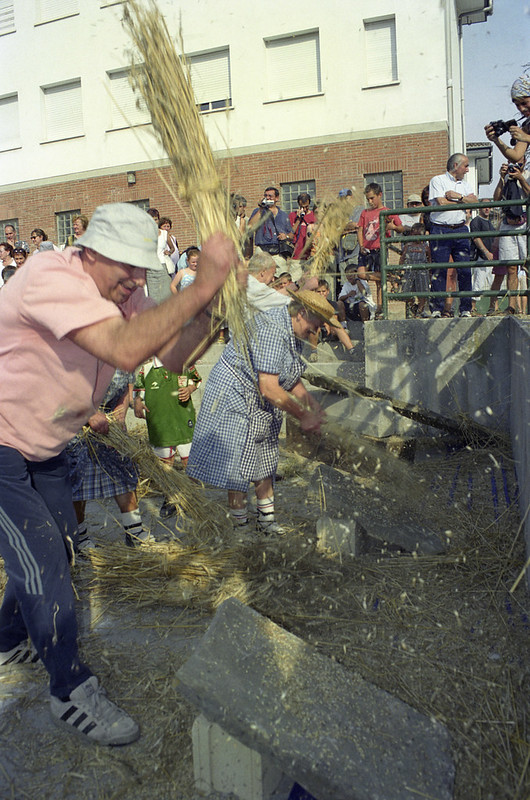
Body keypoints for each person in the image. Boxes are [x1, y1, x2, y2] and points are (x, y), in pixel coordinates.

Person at [0, 202, 237, 745]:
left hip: (44, 446)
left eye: (141, 268)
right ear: (88, 251)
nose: (135, 279)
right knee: (46, 563)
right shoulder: (49, 275)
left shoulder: (121, 292)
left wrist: (216, 304)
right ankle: (70, 690)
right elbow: (126, 348)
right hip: (1, 447)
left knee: (59, 547)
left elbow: (171, 357)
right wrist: (200, 286)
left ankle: (7, 638)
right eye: (124, 267)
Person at [187, 291, 327, 534]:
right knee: (239, 461)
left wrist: (312, 406)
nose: (317, 330)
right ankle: (240, 527)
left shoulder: (293, 332)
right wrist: (304, 416)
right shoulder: (272, 329)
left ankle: (266, 522)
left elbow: (290, 378)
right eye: (317, 324)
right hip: (235, 394)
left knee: (266, 456)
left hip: (258, 393)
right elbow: (270, 388)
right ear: (302, 314)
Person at [67, 369, 152, 550]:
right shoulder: (82, 351)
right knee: (77, 481)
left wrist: (119, 414)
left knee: (122, 472)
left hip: (108, 423)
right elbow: (67, 387)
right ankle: (79, 538)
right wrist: (90, 413)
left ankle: (134, 530)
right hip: (77, 423)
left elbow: (125, 389)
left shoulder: (124, 356)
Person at [133, 358, 201, 518]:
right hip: (160, 423)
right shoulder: (147, 367)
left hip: (183, 420)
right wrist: (137, 402)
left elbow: (196, 380)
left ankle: (193, 497)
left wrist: (190, 389)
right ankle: (170, 497)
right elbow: (138, 390)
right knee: (165, 464)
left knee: (190, 461)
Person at [428, 153, 477, 318]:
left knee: (464, 270)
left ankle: (465, 308)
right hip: (440, 229)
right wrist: (464, 201)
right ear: (456, 166)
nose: (467, 170)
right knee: (439, 270)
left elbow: (475, 202)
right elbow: (441, 202)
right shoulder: (438, 180)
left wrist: (458, 197)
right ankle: (437, 309)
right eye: (466, 166)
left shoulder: (465, 185)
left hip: (460, 229)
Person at [487, 163, 529, 315]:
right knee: (511, 267)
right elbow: (496, 199)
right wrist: (501, 178)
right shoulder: (505, 178)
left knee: (527, 265)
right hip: (507, 224)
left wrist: (521, 179)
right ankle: (512, 306)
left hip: (525, 225)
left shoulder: (528, 174)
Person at [356, 183, 404, 315]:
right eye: (368, 199)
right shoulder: (365, 213)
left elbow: (401, 228)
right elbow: (360, 230)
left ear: (380, 195)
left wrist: (393, 227)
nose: (370, 202)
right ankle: (390, 277)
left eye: (372, 198)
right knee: (361, 273)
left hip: (379, 248)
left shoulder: (386, 211)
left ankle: (380, 307)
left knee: (378, 283)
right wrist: (361, 245)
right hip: (366, 249)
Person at [485, 71, 530, 176]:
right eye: (517, 105)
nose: (521, 109)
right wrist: (496, 140)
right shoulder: (527, 126)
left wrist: (526, 138)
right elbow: (516, 156)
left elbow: (525, 138)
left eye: (524, 103)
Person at [249, 186, 293, 265]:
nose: (267, 198)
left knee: (280, 276)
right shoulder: (258, 211)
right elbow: (250, 226)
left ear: (276, 198)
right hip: (262, 250)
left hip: (278, 252)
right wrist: (261, 209)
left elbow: (291, 234)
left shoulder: (283, 215)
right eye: (265, 196)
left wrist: (286, 236)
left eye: (270, 196)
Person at [399, 222, 431, 318]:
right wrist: (399, 271)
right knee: (407, 292)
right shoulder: (407, 246)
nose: (417, 237)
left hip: (422, 271)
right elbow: (402, 258)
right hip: (409, 270)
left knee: (422, 292)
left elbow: (429, 259)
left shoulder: (425, 247)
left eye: (419, 235)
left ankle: (420, 311)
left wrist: (429, 272)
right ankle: (413, 308)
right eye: (414, 235)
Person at [470, 202, 496, 314]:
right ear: (479, 208)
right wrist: (486, 252)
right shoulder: (476, 221)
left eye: (489, 206)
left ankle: (494, 309)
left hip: (492, 258)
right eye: (484, 206)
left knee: (494, 283)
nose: (487, 208)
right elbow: (476, 238)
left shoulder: (490, 223)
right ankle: (472, 309)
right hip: (481, 257)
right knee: (478, 284)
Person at [289, 193, 316, 261]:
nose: (304, 209)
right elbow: (290, 234)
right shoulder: (292, 216)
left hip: (310, 255)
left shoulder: (314, 215)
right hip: (296, 255)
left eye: (306, 207)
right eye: (302, 207)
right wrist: (298, 220)